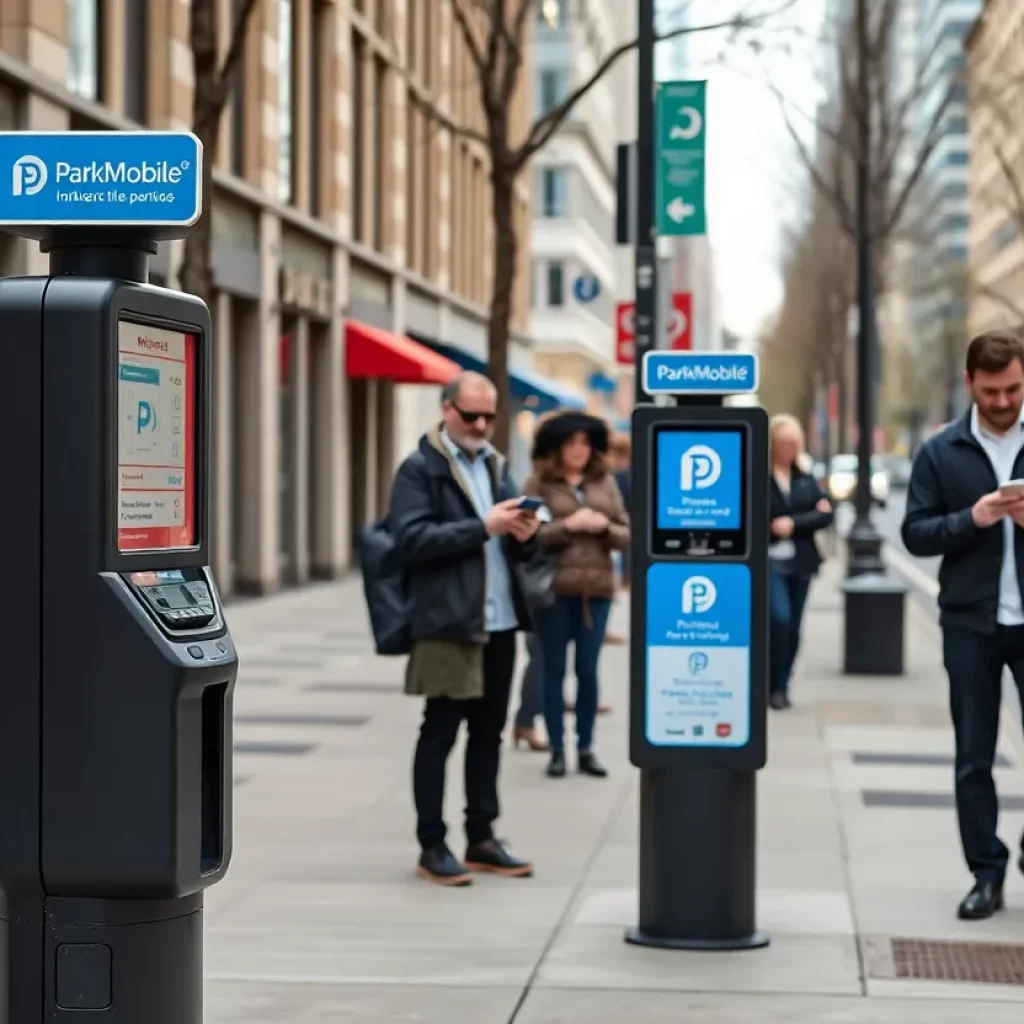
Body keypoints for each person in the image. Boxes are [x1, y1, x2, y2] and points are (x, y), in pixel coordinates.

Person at [389, 371, 540, 886]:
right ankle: (432, 843)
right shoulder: (420, 468)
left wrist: (524, 532)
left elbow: (515, 546)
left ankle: (482, 837)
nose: (480, 425)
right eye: (470, 414)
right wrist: (484, 527)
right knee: (440, 732)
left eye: (488, 416)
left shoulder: (497, 465)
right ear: (446, 409)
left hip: (498, 620)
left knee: (489, 734)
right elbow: (410, 540)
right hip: (448, 622)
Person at [902, 329, 1024, 921]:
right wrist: (970, 519)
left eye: (1015, 389)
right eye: (993, 391)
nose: (1004, 401)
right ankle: (986, 872)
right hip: (969, 624)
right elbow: (915, 533)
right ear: (969, 383)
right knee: (974, 756)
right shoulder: (940, 450)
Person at [523, 411, 630, 779]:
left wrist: (604, 528)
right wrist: (568, 525)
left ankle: (586, 747)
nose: (579, 450)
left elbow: (626, 534)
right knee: (554, 670)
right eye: (572, 443)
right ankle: (556, 749)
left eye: (585, 443)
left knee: (588, 669)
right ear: (557, 448)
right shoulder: (537, 485)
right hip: (553, 592)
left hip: (596, 591)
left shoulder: (606, 483)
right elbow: (528, 535)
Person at [767, 415, 834, 710]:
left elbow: (825, 513)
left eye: (793, 444)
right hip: (769, 562)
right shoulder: (759, 477)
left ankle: (781, 686)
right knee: (778, 619)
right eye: (783, 443)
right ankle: (768, 681)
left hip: (801, 562)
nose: (788, 449)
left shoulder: (805, 478)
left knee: (793, 626)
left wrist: (792, 523)